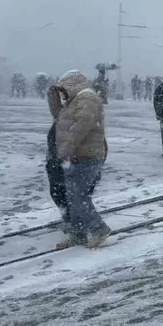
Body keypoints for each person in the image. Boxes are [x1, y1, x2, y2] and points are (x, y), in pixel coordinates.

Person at [52, 70, 111, 248]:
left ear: (71, 85)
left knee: (79, 197)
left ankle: (99, 229)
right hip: (76, 156)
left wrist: (65, 150)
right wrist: (53, 98)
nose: (62, 94)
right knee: (73, 197)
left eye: (63, 90)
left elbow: (79, 129)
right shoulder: (75, 101)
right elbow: (59, 118)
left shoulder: (87, 99)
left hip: (87, 156)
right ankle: (78, 234)